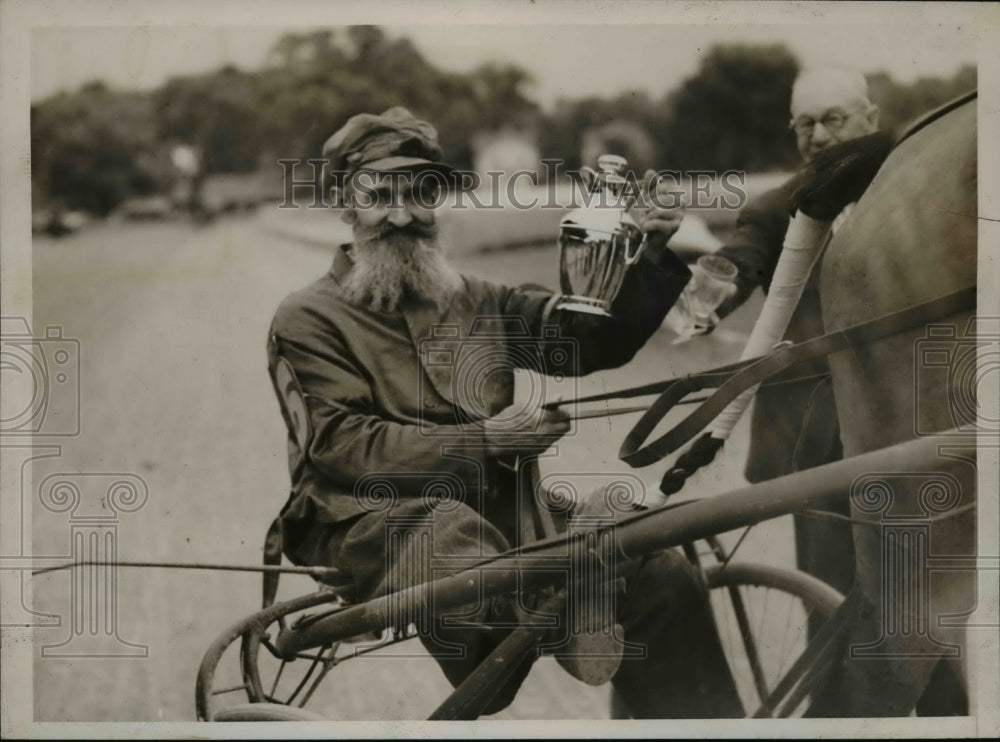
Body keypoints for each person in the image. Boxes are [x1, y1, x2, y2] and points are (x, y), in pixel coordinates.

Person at [266, 106, 744, 718]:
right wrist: (487, 439)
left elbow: (586, 343)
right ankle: (574, 597)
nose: (403, 214)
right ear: (344, 205)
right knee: (454, 543)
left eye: (420, 194)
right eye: (380, 195)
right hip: (366, 523)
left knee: (659, 567)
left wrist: (647, 257)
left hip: (505, 519)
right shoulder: (306, 318)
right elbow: (342, 445)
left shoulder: (476, 297)